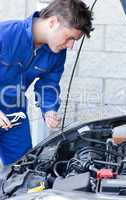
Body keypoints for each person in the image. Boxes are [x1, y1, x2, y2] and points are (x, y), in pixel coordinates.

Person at [0, 0, 93, 165]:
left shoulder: (57, 53)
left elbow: (48, 85)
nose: (71, 46)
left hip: (15, 115)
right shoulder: (5, 34)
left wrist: (49, 109)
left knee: (22, 169)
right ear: (53, 22)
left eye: (75, 41)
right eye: (69, 37)